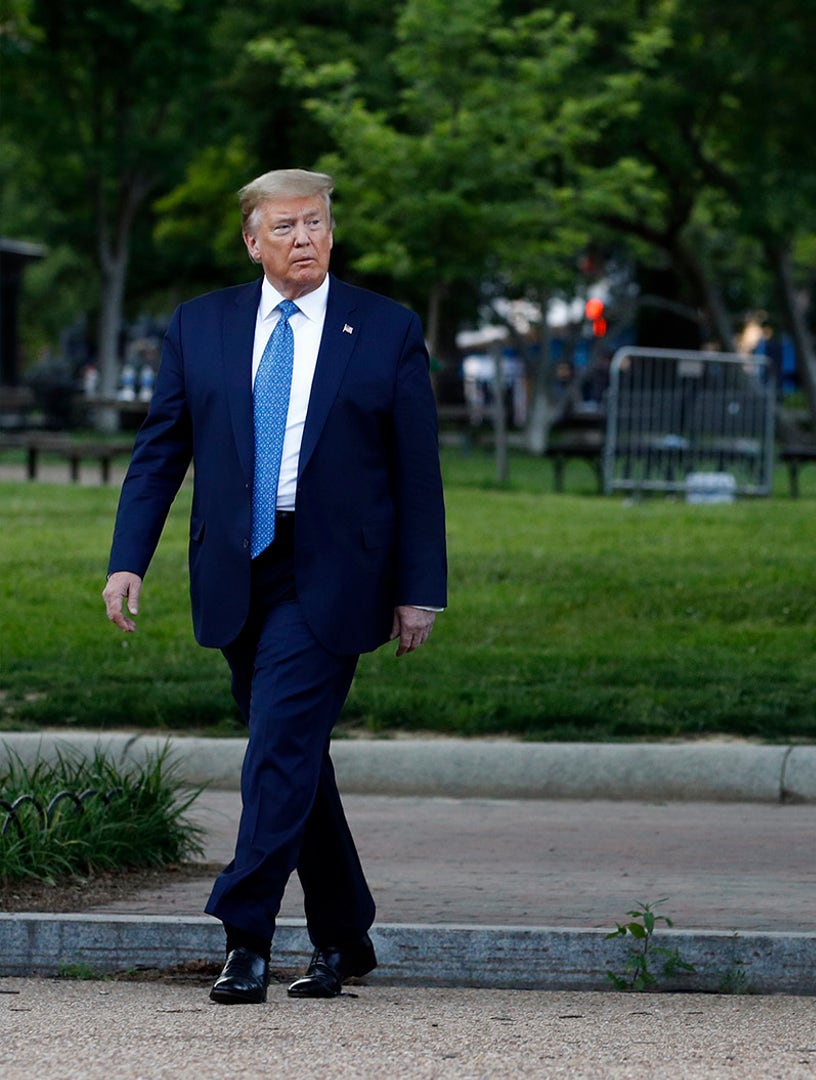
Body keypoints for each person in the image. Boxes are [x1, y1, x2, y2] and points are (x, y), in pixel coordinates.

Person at [102, 168, 447, 1005]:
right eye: (287, 227)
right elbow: (161, 452)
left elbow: (416, 472)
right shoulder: (201, 326)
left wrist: (419, 589)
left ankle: (244, 933)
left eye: (318, 225)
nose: (306, 240)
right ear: (253, 240)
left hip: (335, 572)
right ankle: (344, 935)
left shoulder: (387, 329)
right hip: (236, 566)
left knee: (278, 747)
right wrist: (127, 558)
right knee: (294, 759)